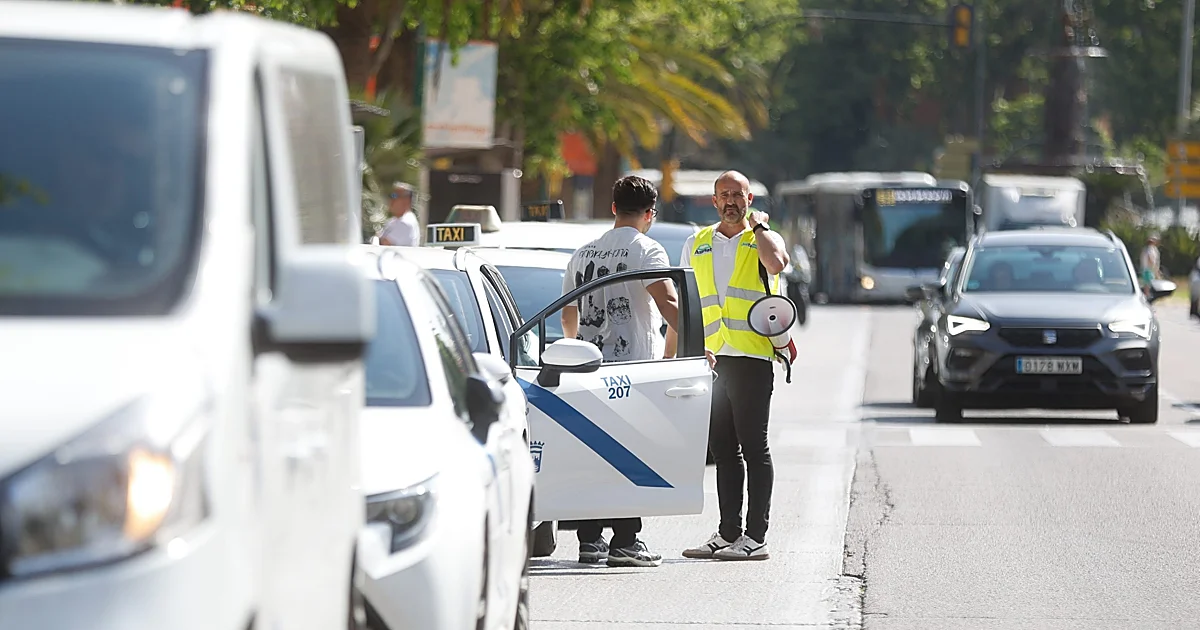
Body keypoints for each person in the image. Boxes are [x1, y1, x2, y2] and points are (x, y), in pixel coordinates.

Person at [560, 174, 681, 568]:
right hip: (632, 372)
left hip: (587, 367)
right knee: (630, 453)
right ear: (650, 214)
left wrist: (577, 349)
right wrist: (693, 345)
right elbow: (670, 309)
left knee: (592, 451)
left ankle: (589, 539)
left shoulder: (582, 253)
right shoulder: (648, 250)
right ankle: (626, 540)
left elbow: (567, 316)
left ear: (613, 208)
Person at [681, 170, 789, 562]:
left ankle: (755, 536)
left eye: (737, 195)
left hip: (751, 357)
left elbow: (776, 265)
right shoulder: (698, 242)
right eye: (723, 195)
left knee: (754, 447)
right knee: (723, 451)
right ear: (714, 201)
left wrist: (759, 228)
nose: (730, 201)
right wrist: (691, 351)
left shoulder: (762, 238)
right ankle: (728, 533)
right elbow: (688, 301)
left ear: (749, 200)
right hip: (713, 360)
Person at [378, 182, 420, 246]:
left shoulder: (405, 223)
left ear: (406, 201)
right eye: (391, 195)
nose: (391, 200)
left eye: (395, 196)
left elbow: (383, 244)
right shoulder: (394, 220)